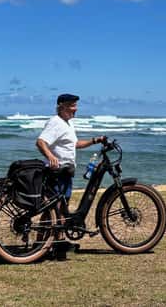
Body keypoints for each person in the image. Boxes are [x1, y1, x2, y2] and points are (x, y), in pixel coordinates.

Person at [35, 93, 104, 260]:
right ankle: (44, 247)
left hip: (66, 173)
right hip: (57, 173)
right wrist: (50, 156)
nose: (75, 109)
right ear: (62, 106)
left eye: (75, 105)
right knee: (55, 209)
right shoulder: (56, 122)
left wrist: (95, 140)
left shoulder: (67, 124)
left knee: (59, 208)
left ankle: (52, 244)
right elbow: (41, 142)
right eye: (72, 105)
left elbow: (74, 144)